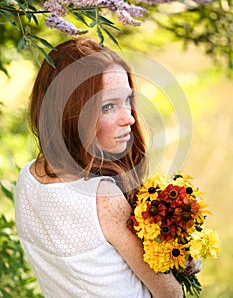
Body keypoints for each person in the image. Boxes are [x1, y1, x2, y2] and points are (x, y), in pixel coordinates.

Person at [15, 38, 198, 298]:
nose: (130, 117)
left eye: (127, 100)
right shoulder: (102, 198)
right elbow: (170, 294)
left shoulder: (28, 178)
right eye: (108, 106)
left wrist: (176, 252)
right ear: (70, 113)